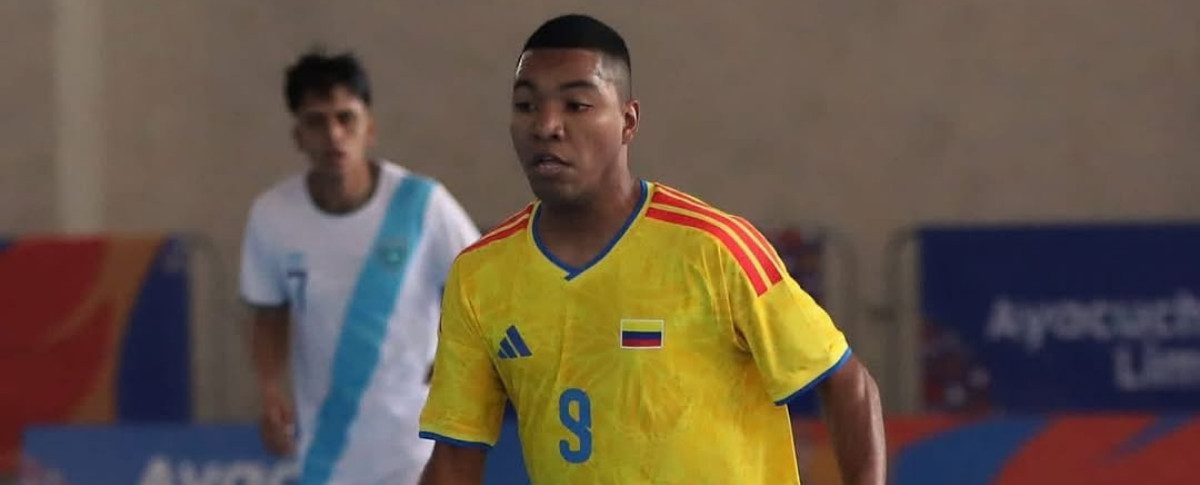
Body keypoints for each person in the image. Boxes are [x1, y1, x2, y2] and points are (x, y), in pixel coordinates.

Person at [416, 13, 885, 485]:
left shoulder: (715, 248)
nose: (547, 125)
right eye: (526, 105)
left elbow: (846, 383)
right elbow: (456, 453)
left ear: (628, 121)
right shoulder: (480, 274)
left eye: (576, 105)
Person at [238, 49, 481, 485]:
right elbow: (268, 312)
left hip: (419, 447)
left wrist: (456, 358)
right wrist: (270, 389)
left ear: (369, 128)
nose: (333, 134)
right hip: (326, 452)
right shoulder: (272, 216)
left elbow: (484, 288)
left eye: (345, 118)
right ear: (298, 136)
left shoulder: (422, 205)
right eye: (316, 121)